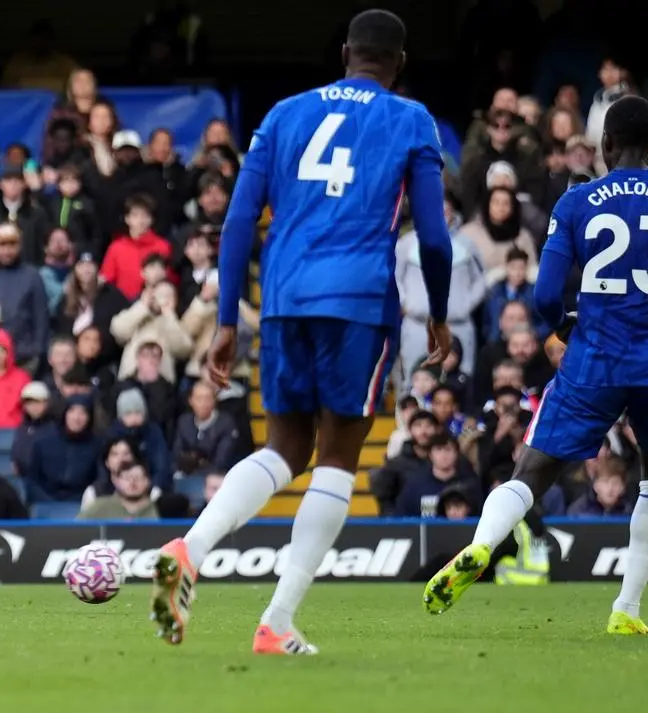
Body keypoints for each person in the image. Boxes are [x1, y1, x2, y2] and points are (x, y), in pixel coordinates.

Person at [149, 9, 453, 655]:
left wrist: (228, 318)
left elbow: (236, 221)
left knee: (285, 447)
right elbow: (431, 234)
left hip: (284, 297)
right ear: (399, 63)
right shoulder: (411, 119)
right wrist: (440, 313)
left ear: (345, 52)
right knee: (338, 458)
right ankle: (277, 619)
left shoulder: (284, 113)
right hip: (359, 300)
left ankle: (189, 546)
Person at [424, 95, 648, 636]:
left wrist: (561, 329)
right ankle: (627, 609)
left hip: (592, 355)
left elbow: (546, 293)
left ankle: (480, 544)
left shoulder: (576, 200)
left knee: (534, 468)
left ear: (605, 145)